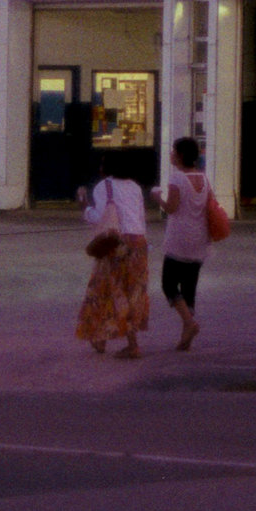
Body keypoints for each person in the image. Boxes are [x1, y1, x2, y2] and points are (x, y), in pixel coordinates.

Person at [75, 150, 150, 358]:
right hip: (138, 243)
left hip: (115, 243)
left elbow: (99, 217)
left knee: (102, 290)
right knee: (133, 293)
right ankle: (132, 343)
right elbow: (141, 217)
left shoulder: (104, 186)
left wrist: (84, 205)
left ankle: (100, 338)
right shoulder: (135, 187)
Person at [156, 135, 215, 351]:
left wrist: (157, 199)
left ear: (180, 155)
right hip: (200, 240)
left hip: (179, 240)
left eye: (173, 150)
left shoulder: (177, 179)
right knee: (189, 288)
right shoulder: (204, 179)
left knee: (169, 285)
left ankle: (189, 324)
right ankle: (185, 337)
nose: (171, 154)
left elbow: (171, 208)